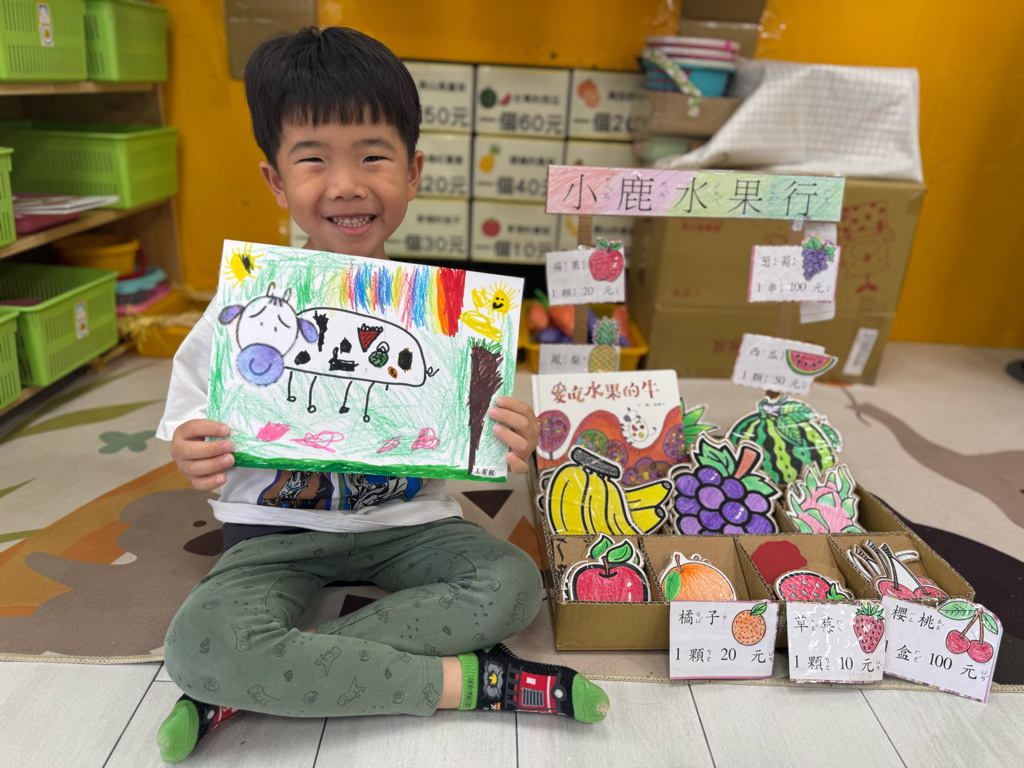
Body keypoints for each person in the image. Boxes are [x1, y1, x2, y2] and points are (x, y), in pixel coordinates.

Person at [154, 26, 608, 764]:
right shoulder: (246, 306)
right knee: (198, 642)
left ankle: (242, 687)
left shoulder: (452, 317)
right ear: (276, 181)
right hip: (272, 532)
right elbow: (188, 425)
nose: (346, 184)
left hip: (409, 522)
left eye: (373, 156)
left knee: (514, 585)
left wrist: (510, 436)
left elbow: (482, 432)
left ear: (413, 171)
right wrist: (192, 451)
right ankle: (479, 684)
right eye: (313, 160)